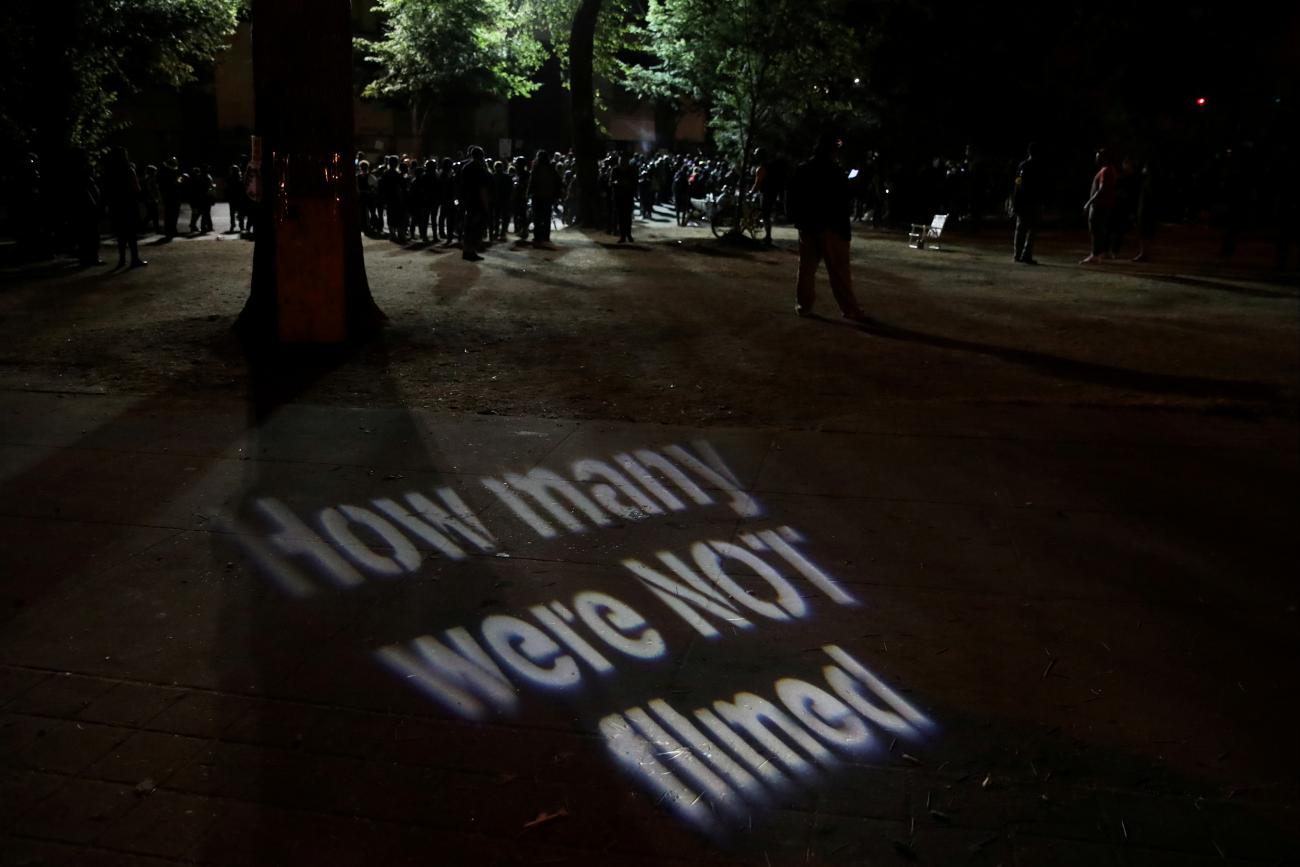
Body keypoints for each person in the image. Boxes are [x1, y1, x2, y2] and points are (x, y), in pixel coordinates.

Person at [788, 134, 867, 321]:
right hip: (833, 226)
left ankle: (804, 306)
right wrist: (854, 182)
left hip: (808, 226)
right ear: (832, 151)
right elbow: (845, 195)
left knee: (806, 269)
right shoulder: (836, 171)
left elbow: (792, 195)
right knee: (839, 271)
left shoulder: (803, 169)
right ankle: (850, 309)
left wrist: (798, 219)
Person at [102, 147, 147, 268]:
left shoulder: (109, 171)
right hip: (128, 204)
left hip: (116, 205)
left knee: (120, 234)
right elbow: (136, 188)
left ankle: (122, 260)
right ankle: (134, 259)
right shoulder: (129, 170)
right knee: (131, 234)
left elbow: (106, 190)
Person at [1081, 148, 1116, 264]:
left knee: (1095, 229)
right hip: (1103, 205)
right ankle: (1098, 253)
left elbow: (1101, 189)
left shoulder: (1105, 171)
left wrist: (1089, 202)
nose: (1096, 159)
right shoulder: (1108, 170)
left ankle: (1095, 254)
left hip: (1099, 206)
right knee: (1099, 230)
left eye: (1098, 156)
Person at [458, 146, 491, 261]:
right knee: (475, 228)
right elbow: (482, 189)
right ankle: (470, 251)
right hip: (477, 202)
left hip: (467, 201)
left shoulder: (465, 167)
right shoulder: (480, 169)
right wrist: (486, 206)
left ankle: (466, 250)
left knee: (468, 227)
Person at [1011, 142, 1041, 264]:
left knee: (1022, 229)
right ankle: (1025, 254)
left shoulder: (1023, 166)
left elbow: (1018, 184)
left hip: (1026, 201)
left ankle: (1019, 254)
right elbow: (1019, 183)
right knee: (1030, 230)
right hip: (1031, 202)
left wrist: (1016, 200)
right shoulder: (1034, 166)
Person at [528, 150, 561, 248]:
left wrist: (528, 193)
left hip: (537, 196)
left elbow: (531, 182)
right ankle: (546, 236)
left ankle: (537, 236)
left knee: (537, 217)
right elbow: (558, 181)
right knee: (546, 217)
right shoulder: (551, 168)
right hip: (548, 196)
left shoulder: (536, 168)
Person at [750, 147, 777, 244]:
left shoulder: (761, 168)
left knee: (765, 215)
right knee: (765, 213)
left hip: (765, 193)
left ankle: (768, 236)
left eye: (756, 155)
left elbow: (757, 183)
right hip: (771, 192)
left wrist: (751, 191)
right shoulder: (770, 165)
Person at [1132, 161, 1156, 262]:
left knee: (1144, 232)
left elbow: (1150, 197)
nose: (1143, 169)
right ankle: (1144, 253)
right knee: (1144, 233)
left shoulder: (1149, 181)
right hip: (1145, 209)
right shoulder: (1146, 181)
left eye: (1145, 168)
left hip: (1146, 210)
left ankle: (1144, 253)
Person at [612, 153, 637, 243]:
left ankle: (628, 234)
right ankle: (623, 235)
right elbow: (611, 182)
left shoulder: (631, 170)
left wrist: (628, 185)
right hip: (619, 196)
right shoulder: (615, 170)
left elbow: (635, 182)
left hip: (628, 196)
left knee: (628, 217)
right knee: (620, 217)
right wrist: (617, 183)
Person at [158, 157, 182, 239]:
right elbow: (175, 183)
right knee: (172, 214)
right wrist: (179, 181)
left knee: (169, 214)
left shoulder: (164, 172)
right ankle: (171, 230)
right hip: (173, 196)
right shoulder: (171, 173)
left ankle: (169, 230)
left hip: (168, 196)